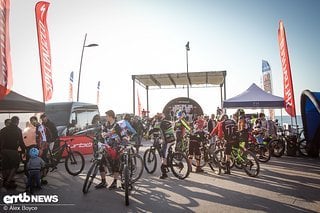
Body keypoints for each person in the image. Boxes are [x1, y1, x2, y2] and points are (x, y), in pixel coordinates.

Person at [95, 110, 127, 189]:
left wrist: (123, 144)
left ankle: (115, 182)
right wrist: (103, 134)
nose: (105, 117)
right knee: (101, 163)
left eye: (106, 116)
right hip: (107, 146)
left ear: (110, 116)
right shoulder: (105, 125)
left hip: (116, 146)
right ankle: (103, 182)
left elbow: (124, 136)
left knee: (116, 164)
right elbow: (103, 133)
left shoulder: (117, 126)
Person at [0, 116, 26, 189]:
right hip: (13, 150)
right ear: (17, 122)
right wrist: (24, 150)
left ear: (11, 121)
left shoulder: (3, 130)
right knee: (15, 166)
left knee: (6, 166)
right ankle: (8, 181)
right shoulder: (18, 130)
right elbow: (21, 142)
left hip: (3, 150)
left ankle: (7, 180)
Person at [30, 116, 49, 185]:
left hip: (43, 147)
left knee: (42, 163)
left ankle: (42, 178)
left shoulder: (40, 127)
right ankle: (40, 178)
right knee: (40, 163)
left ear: (36, 120)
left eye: (33, 121)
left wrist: (41, 149)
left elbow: (44, 139)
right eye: (31, 122)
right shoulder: (37, 127)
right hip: (40, 147)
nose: (32, 123)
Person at [157, 113, 176, 179]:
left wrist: (148, 135)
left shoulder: (159, 124)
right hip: (173, 139)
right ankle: (170, 160)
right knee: (168, 152)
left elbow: (154, 130)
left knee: (163, 155)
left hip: (167, 141)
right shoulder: (168, 122)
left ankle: (164, 174)